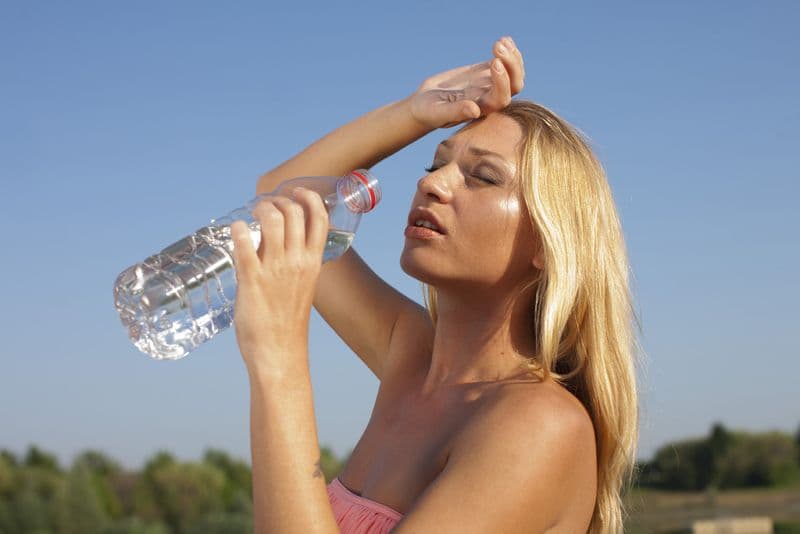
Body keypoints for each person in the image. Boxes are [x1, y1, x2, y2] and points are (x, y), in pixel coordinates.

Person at [229, 35, 641, 534]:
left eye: (483, 177)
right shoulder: (412, 355)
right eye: (436, 162)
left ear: (549, 245)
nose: (432, 183)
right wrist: (416, 112)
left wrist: (278, 363)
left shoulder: (539, 424)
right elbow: (284, 199)